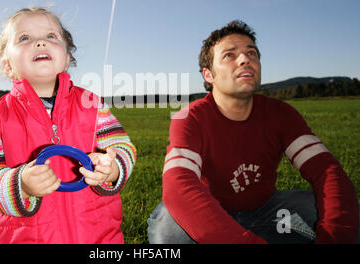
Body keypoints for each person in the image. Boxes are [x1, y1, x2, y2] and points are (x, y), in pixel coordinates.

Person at [147, 20, 358, 244]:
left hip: (269, 212)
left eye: (252, 53)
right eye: (229, 55)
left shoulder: (280, 113)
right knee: (167, 227)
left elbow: (327, 171)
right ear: (208, 75)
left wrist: (335, 237)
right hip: (209, 212)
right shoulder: (188, 117)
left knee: (339, 211)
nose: (245, 59)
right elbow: (178, 185)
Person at [0, 7, 136, 244]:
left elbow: (122, 147)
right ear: (7, 65)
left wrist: (112, 169)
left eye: (51, 36)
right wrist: (19, 184)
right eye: (25, 38)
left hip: (96, 237)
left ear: (67, 57)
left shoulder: (92, 105)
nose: (40, 42)